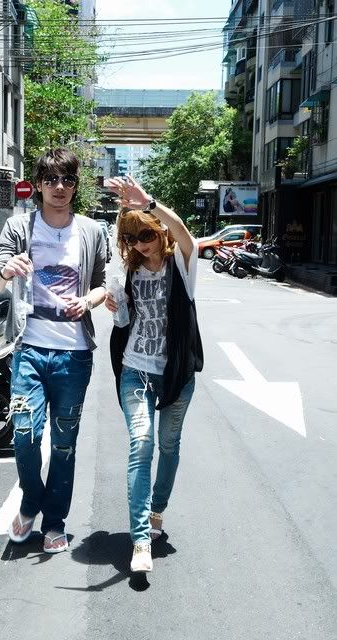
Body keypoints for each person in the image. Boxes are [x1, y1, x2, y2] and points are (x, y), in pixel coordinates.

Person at [0, 148, 106, 553]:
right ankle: (30, 502)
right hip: (30, 350)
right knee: (24, 435)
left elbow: (101, 284)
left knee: (63, 443)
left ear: (75, 186)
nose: (59, 187)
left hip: (74, 354)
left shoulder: (91, 231)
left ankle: (54, 522)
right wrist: (6, 271)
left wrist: (87, 302)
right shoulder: (19, 226)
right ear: (38, 184)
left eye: (67, 180)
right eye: (51, 179)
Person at [105, 175, 204, 573]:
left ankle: (157, 509)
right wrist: (116, 306)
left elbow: (185, 235)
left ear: (158, 231)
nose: (139, 245)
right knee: (141, 445)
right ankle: (141, 538)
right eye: (131, 239)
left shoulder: (181, 266)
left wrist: (149, 203)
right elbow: (124, 321)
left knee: (169, 445)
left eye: (145, 235)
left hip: (176, 374)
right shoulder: (127, 271)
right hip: (136, 370)